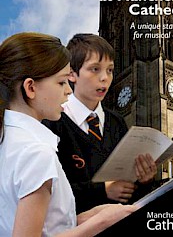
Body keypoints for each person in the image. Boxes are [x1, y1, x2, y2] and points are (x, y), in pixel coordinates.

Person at [0, 32, 137, 237]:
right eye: (61, 82)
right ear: (30, 87)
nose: (68, 91)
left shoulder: (9, 139)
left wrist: (86, 217)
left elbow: (44, 224)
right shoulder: (37, 153)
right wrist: (102, 222)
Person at [43, 33, 157, 213]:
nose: (105, 77)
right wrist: (103, 190)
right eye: (95, 69)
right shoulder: (53, 121)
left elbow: (128, 194)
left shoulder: (117, 122)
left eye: (110, 70)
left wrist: (144, 181)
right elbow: (48, 195)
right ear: (72, 74)